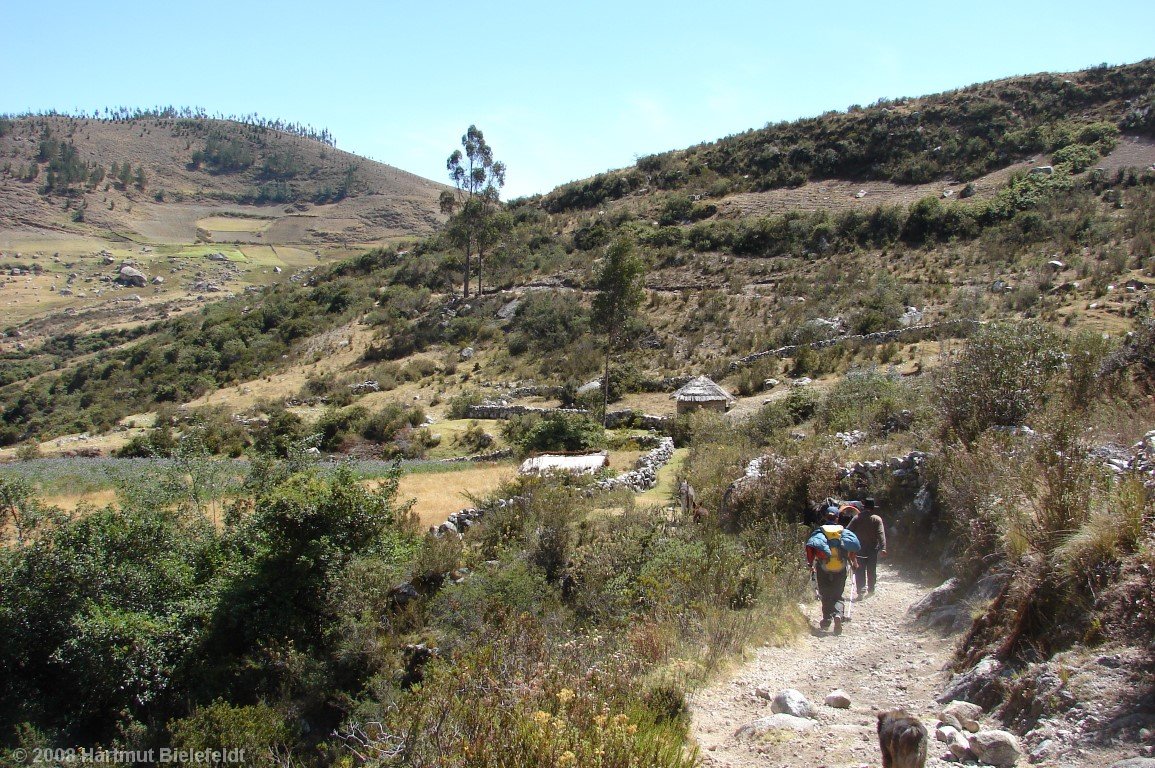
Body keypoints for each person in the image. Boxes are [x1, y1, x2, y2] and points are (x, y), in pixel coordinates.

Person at [806, 506, 861, 634]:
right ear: (837, 518)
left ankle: (826, 620)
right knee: (838, 595)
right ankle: (837, 615)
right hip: (840, 568)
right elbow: (852, 551)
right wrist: (854, 563)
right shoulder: (843, 532)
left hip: (823, 567)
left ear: (825, 517)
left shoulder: (820, 532)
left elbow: (812, 549)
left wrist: (810, 564)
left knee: (825, 594)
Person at [847, 497, 887, 597]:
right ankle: (871, 589)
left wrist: (848, 545)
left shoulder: (857, 518)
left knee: (859, 569)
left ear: (863, 507)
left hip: (859, 549)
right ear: (873, 508)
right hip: (872, 549)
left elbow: (848, 531)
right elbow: (881, 534)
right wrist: (883, 548)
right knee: (871, 569)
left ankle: (861, 590)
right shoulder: (877, 519)